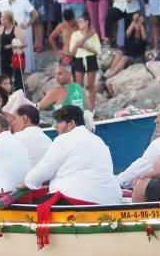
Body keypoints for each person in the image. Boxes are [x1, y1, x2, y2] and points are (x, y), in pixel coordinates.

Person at [23, 104, 121, 246]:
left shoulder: (63, 140)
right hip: (110, 200)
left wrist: (26, 182)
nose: (55, 127)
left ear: (71, 124)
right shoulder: (98, 140)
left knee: (30, 205)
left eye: (58, 122)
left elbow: (40, 173)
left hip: (78, 199)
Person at [67, 13, 101, 110]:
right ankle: (81, 107)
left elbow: (98, 51)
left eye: (81, 21)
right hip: (78, 58)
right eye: (78, 22)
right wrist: (78, 45)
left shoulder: (93, 35)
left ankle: (91, 108)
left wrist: (87, 47)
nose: (79, 23)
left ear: (86, 22)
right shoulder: (75, 35)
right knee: (79, 85)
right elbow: (71, 51)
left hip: (90, 58)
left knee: (91, 85)